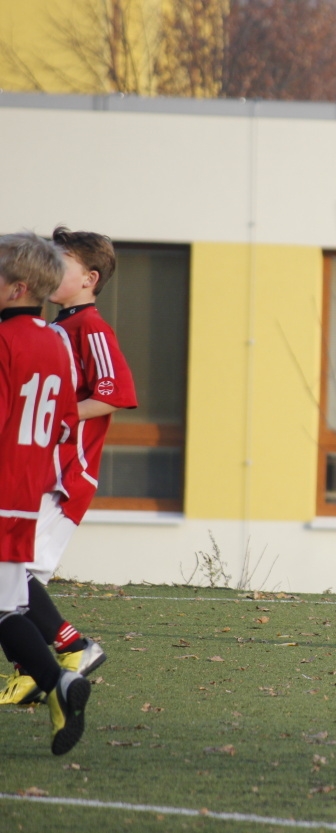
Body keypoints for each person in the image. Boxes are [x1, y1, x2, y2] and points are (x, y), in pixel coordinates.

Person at [0, 227, 134, 706]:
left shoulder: (91, 327)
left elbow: (115, 393)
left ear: (89, 278)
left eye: (64, 264)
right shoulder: (56, 328)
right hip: (41, 468)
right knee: (13, 577)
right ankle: (34, 671)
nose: (54, 271)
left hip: (65, 474)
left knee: (17, 575)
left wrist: (58, 411)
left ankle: (74, 647)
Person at [0, 232, 91, 754]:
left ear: (16, 288)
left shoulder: (5, 342)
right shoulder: (55, 341)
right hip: (26, 493)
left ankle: (59, 679)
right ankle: (59, 684)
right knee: (7, 609)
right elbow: (64, 422)